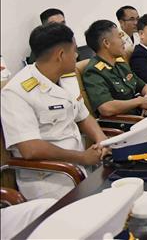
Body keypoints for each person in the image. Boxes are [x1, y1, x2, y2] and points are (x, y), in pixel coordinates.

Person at [1, 23, 108, 200]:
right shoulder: (16, 92)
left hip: (79, 170)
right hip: (52, 179)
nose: (77, 55)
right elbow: (31, 149)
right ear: (60, 55)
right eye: (74, 51)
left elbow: (82, 116)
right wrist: (82, 157)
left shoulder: (64, 79)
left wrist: (101, 139)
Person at [82, 20, 147, 117]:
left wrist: (146, 100)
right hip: (125, 124)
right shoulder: (93, 72)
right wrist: (138, 101)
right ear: (106, 43)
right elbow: (106, 108)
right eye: (119, 37)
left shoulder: (120, 63)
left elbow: (146, 87)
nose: (124, 41)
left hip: (141, 116)